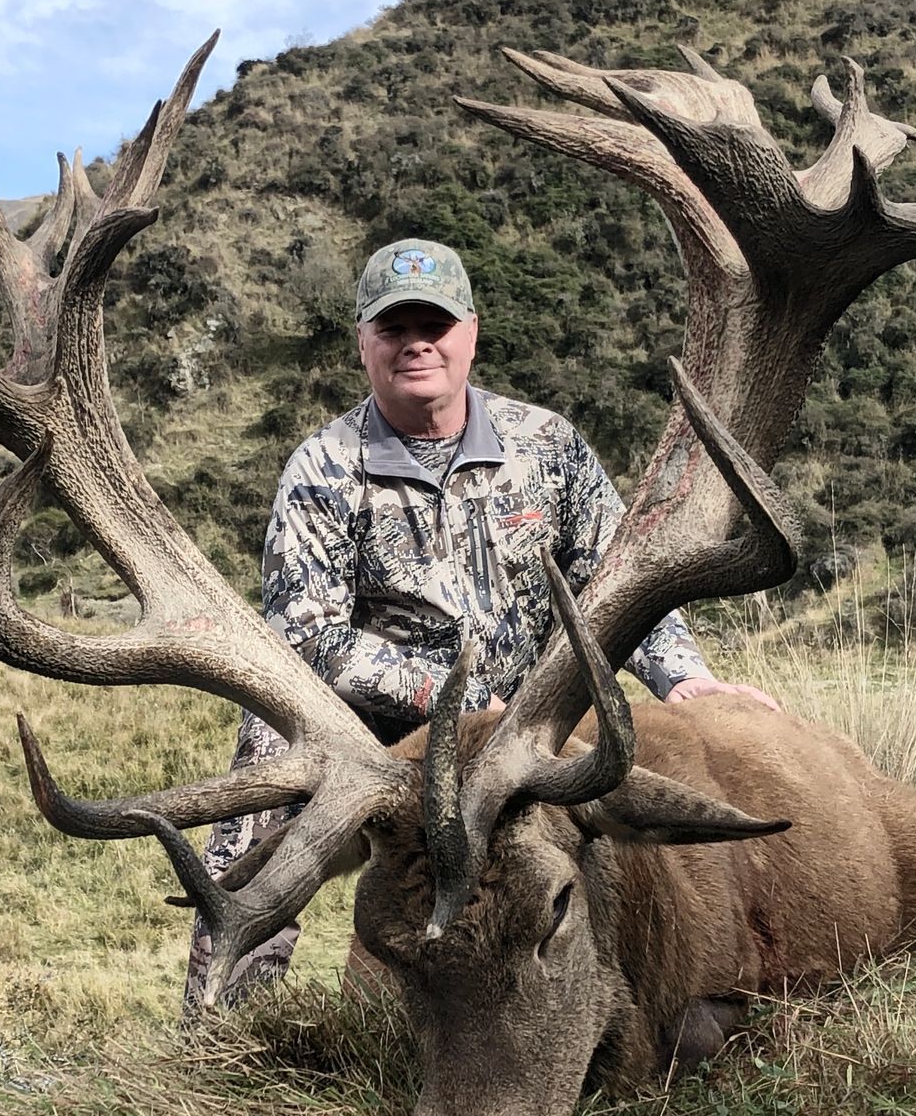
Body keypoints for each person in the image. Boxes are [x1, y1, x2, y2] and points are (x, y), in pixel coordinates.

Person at [183, 238, 777, 1009]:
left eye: (435, 323)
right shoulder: (323, 467)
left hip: (528, 720)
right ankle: (227, 1023)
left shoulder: (548, 446)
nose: (416, 343)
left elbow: (620, 578)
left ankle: (597, 1000)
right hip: (378, 730)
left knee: (631, 788)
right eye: (394, 328)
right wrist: (450, 697)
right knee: (267, 750)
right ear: (364, 343)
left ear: (471, 331)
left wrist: (683, 676)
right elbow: (310, 638)